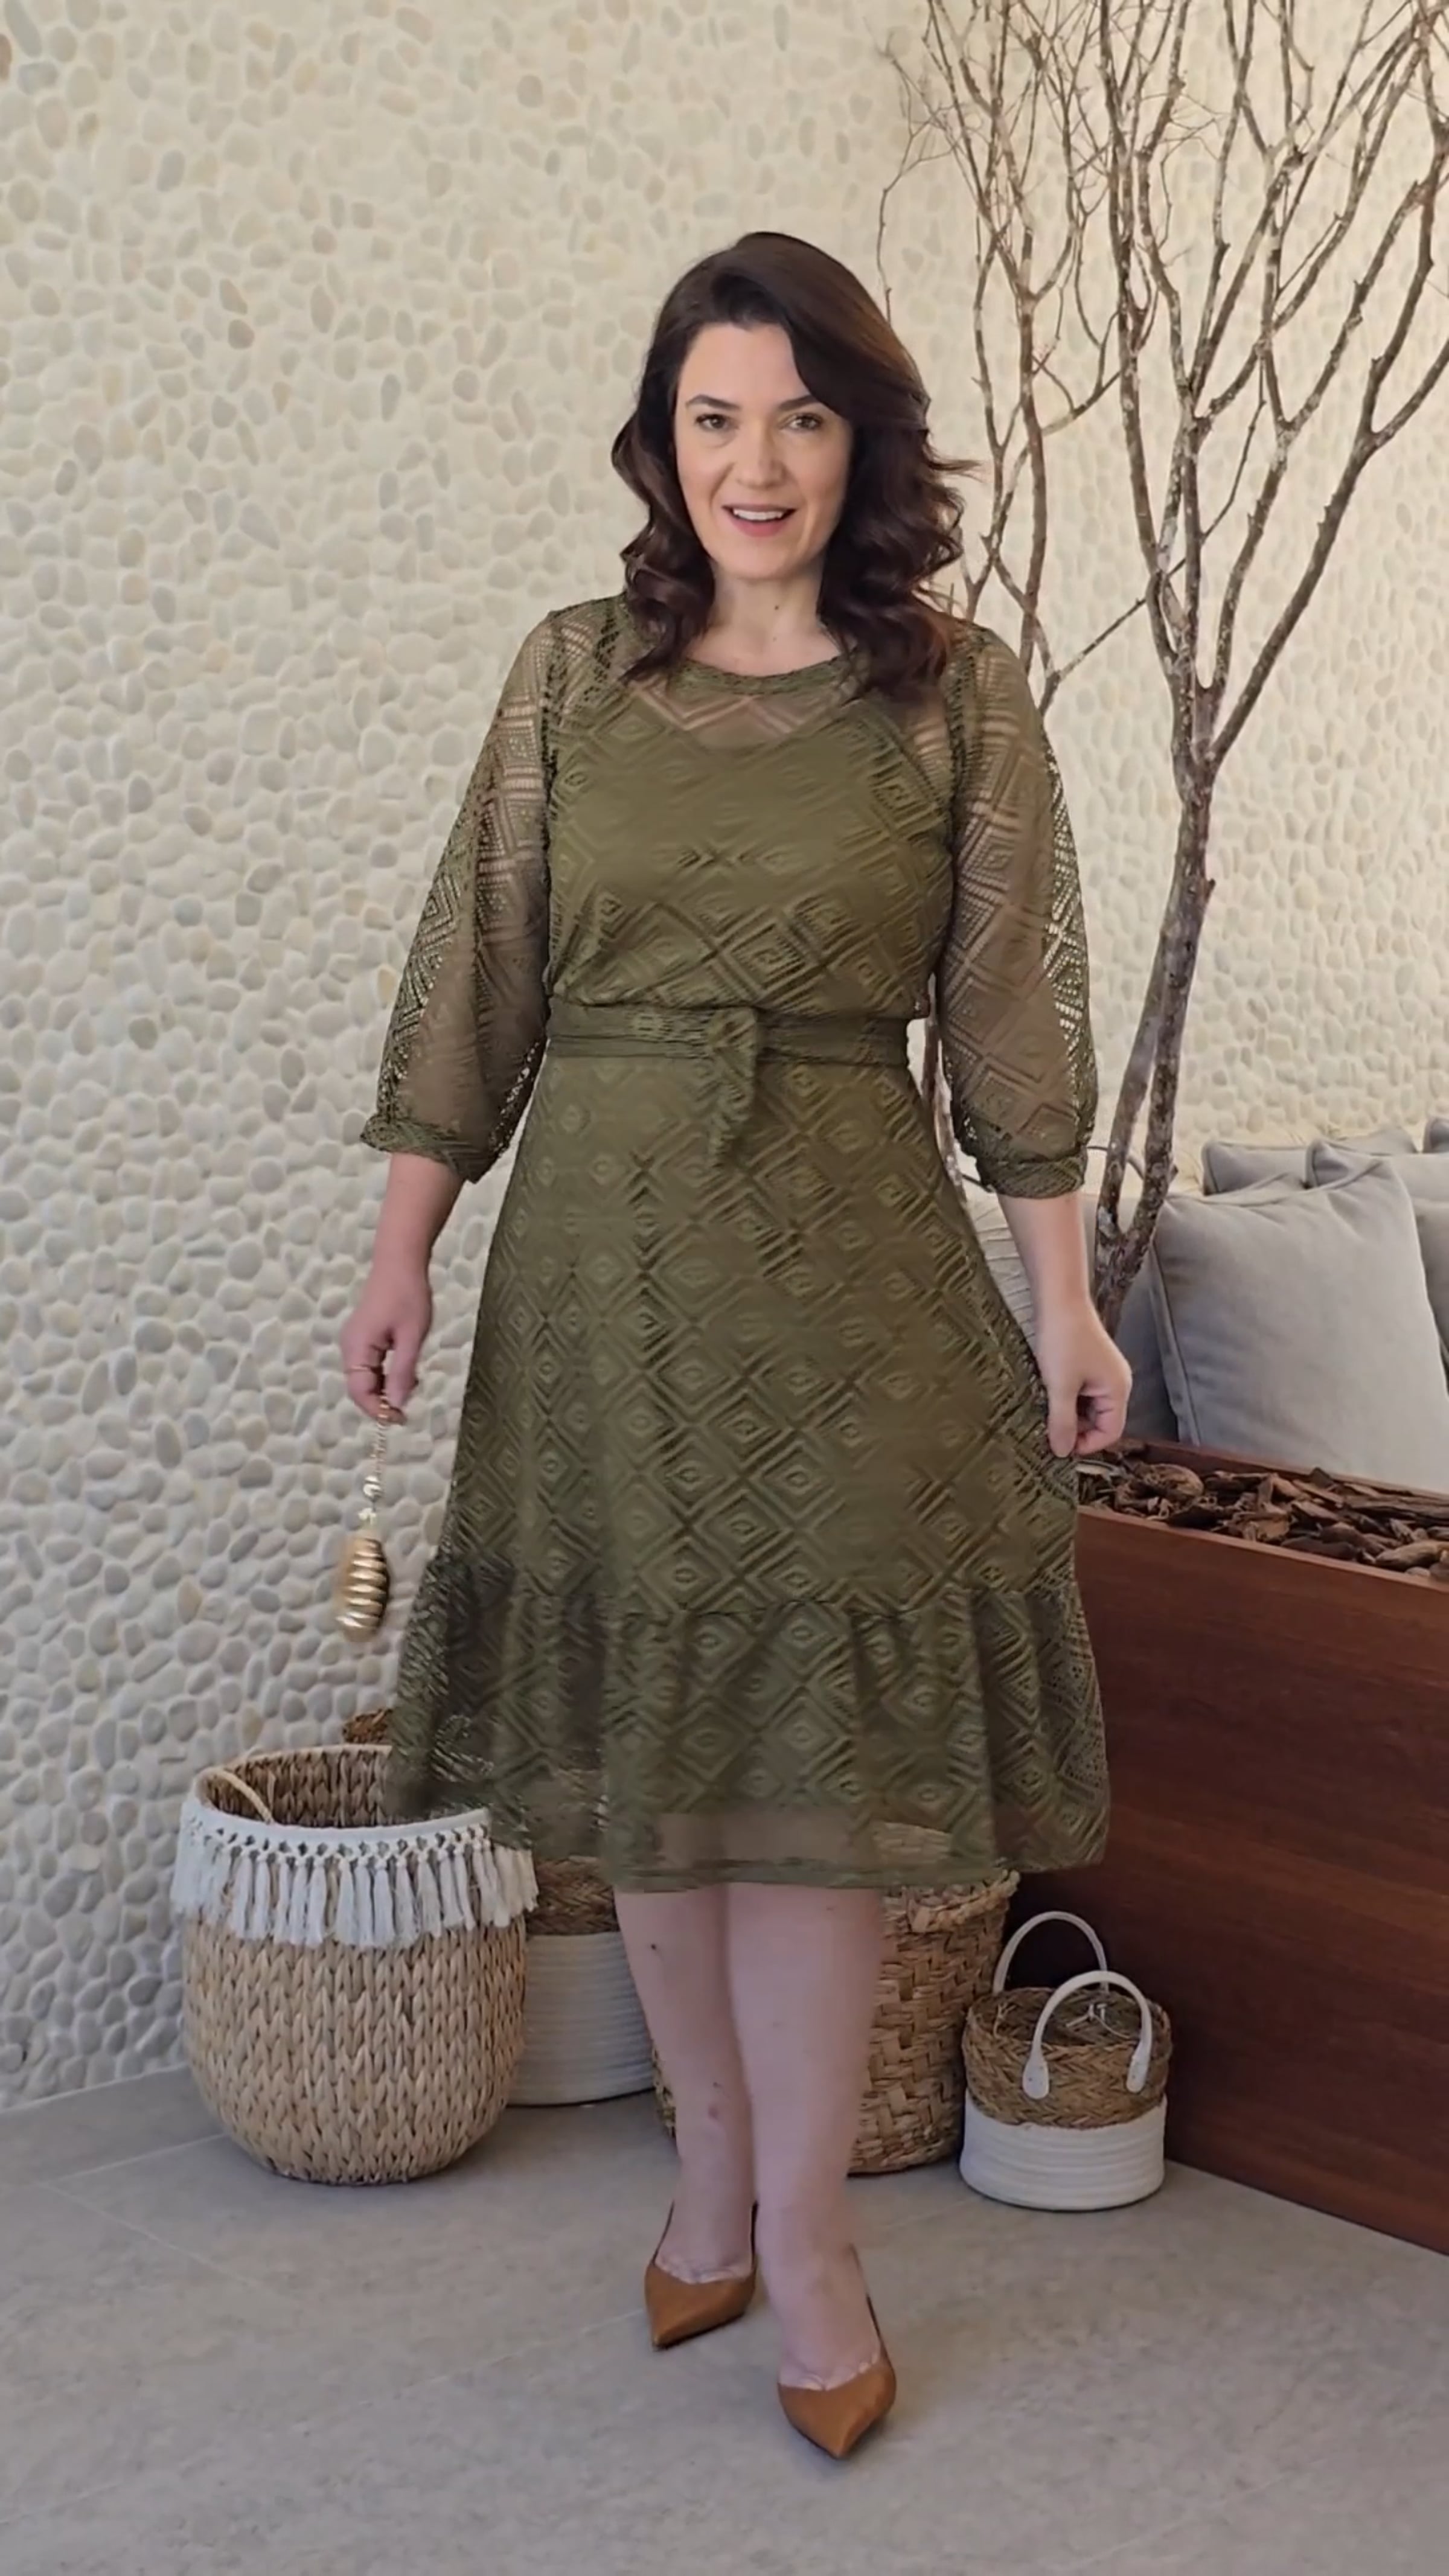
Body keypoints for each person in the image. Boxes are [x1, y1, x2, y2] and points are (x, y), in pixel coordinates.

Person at [341, 231, 1130, 2459]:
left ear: (860, 441)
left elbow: (1015, 1023)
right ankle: (706, 2178)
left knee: (802, 1792)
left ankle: (809, 2235)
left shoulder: (954, 697)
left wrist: (1065, 1296)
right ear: (662, 438)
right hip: (599, 1284)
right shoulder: (569, 677)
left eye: (799, 415)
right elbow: (472, 980)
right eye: (714, 416)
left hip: (853, 1279)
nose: (755, 461)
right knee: (660, 1778)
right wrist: (400, 1253)